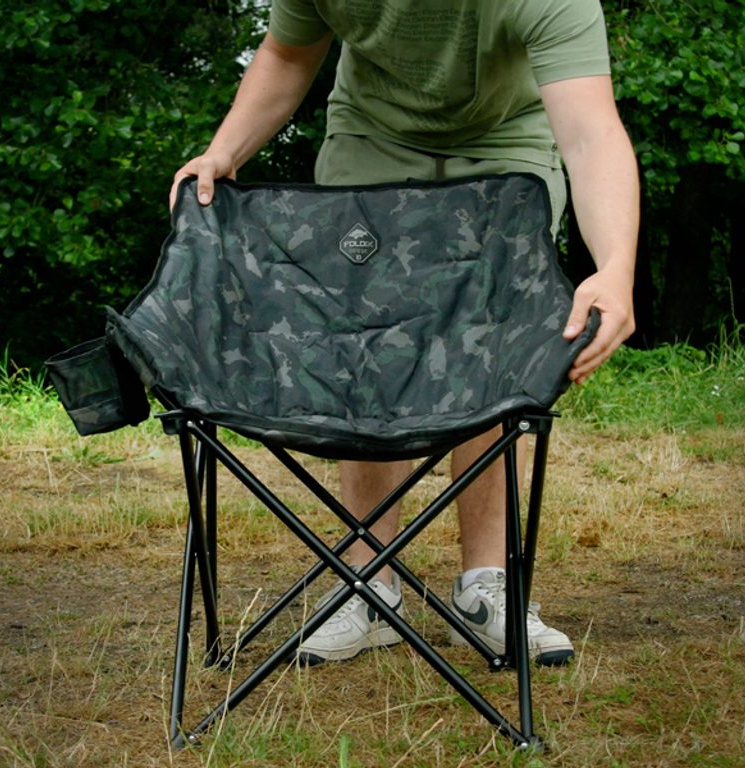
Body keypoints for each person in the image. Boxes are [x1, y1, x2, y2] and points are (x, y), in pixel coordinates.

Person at [171, 0, 638, 667]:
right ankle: (367, 585)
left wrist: (615, 267)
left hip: (504, 139)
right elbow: (287, 53)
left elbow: (591, 133)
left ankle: (487, 589)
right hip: (371, 137)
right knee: (365, 337)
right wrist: (224, 151)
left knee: (492, 338)